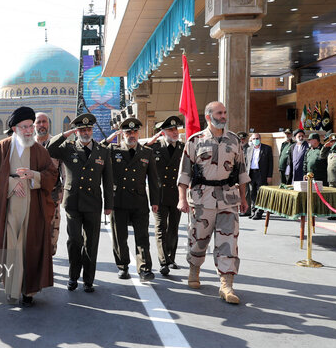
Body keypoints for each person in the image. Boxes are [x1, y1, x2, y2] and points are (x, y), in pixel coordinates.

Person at [0, 107, 58, 306]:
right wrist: (13, 185)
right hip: (7, 207)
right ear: (14, 128)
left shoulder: (40, 150)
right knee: (12, 248)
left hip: (33, 208)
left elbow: (51, 175)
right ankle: (13, 289)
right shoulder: (2, 148)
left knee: (28, 248)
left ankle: (28, 291)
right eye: (24, 127)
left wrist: (34, 176)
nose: (29, 130)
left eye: (31, 126)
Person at [177, 101, 248, 304]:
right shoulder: (195, 141)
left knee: (229, 241)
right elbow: (184, 173)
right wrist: (182, 199)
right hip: (202, 199)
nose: (224, 116)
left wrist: (243, 198)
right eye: (219, 112)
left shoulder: (234, 140)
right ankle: (194, 268)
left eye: (225, 112)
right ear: (209, 116)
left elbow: (242, 172)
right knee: (199, 239)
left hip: (228, 198)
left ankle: (226, 284)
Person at [47, 113, 113, 292]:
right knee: (74, 240)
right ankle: (73, 276)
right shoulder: (68, 147)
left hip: (93, 202)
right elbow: (49, 148)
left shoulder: (103, 151)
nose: (85, 132)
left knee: (91, 242)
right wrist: (66, 134)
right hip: (73, 202)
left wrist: (109, 204)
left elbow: (108, 179)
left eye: (88, 129)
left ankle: (89, 279)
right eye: (81, 129)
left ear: (92, 130)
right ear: (76, 131)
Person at [104, 117, 159, 282]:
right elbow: (98, 149)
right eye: (128, 132)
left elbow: (154, 180)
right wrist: (110, 138)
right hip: (118, 201)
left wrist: (154, 201)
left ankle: (144, 269)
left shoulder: (146, 152)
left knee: (142, 237)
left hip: (139, 200)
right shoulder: (113, 151)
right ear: (122, 133)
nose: (132, 135)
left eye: (135, 131)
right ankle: (123, 266)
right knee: (119, 237)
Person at [146, 115, 184, 275]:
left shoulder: (183, 148)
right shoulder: (154, 148)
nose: (174, 132)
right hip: (159, 194)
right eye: (170, 130)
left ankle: (171, 257)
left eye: (176, 129)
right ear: (163, 132)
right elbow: (140, 152)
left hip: (177, 195)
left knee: (173, 228)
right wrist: (152, 140)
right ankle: (163, 262)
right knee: (161, 227)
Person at [35, 112, 65, 256]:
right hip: (33, 195)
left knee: (53, 230)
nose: (42, 125)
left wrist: (64, 192)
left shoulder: (58, 144)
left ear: (48, 124)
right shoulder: (28, 145)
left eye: (44, 122)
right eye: (39, 122)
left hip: (52, 194)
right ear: (34, 125)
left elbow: (64, 171)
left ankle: (49, 258)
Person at [245, 133, 273, 220]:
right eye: (253, 139)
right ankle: (254, 211)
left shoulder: (267, 148)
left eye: (257, 138)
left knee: (261, 194)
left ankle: (259, 213)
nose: (255, 140)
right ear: (251, 140)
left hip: (262, 174)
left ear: (260, 139)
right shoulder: (249, 149)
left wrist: (269, 175)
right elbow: (246, 163)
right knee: (252, 194)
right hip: (251, 174)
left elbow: (270, 163)